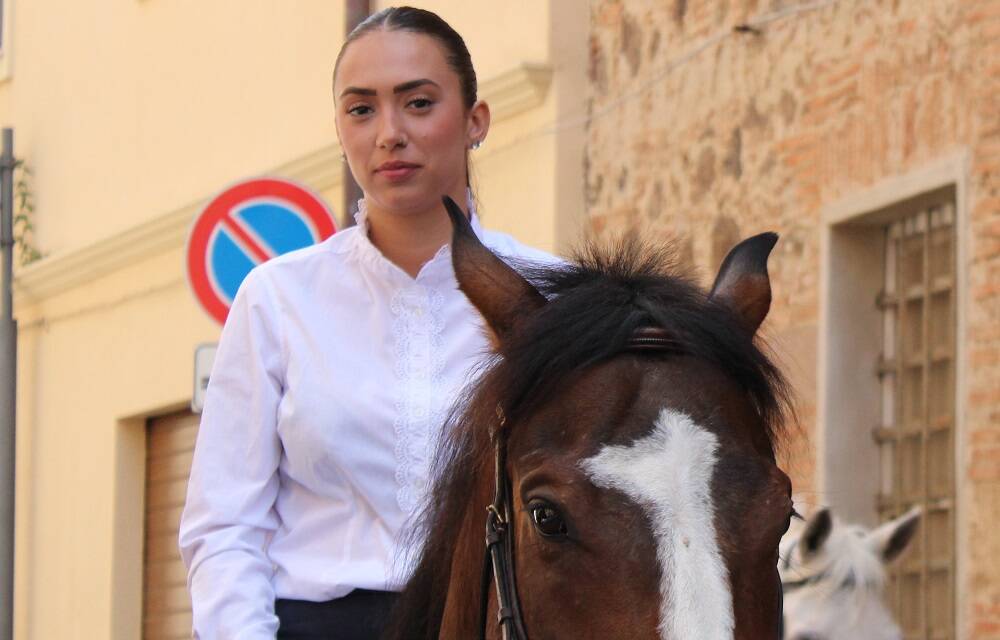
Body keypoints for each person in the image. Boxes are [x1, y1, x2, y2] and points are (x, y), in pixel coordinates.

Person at [178, 7, 553, 639]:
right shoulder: (277, 299)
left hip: (497, 621)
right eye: (361, 109)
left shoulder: (548, 295)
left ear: (475, 120)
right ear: (339, 129)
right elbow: (225, 526)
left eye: (418, 103)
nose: (389, 133)